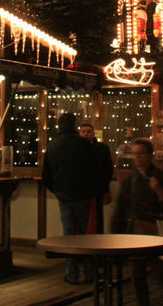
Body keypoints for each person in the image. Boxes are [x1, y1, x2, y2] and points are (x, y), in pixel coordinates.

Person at [111, 138, 163, 306]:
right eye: (134, 154)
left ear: (150, 156)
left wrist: (159, 192)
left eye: (141, 154)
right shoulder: (130, 180)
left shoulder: (161, 178)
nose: (138, 158)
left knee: (161, 273)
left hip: (156, 233)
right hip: (136, 233)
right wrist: (115, 235)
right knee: (138, 276)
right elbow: (120, 209)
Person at [42, 112, 95, 284]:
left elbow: (46, 175)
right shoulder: (83, 144)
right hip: (83, 194)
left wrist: (58, 190)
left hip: (64, 196)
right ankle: (90, 273)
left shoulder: (52, 145)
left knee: (69, 236)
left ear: (59, 125)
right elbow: (92, 169)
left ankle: (72, 274)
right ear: (74, 125)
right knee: (86, 236)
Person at [79, 122, 113, 233]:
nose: (86, 134)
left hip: (97, 189)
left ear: (93, 134)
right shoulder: (76, 150)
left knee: (97, 219)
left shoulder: (102, 148)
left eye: (88, 132)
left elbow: (108, 169)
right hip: (81, 190)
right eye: (83, 131)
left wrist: (105, 188)